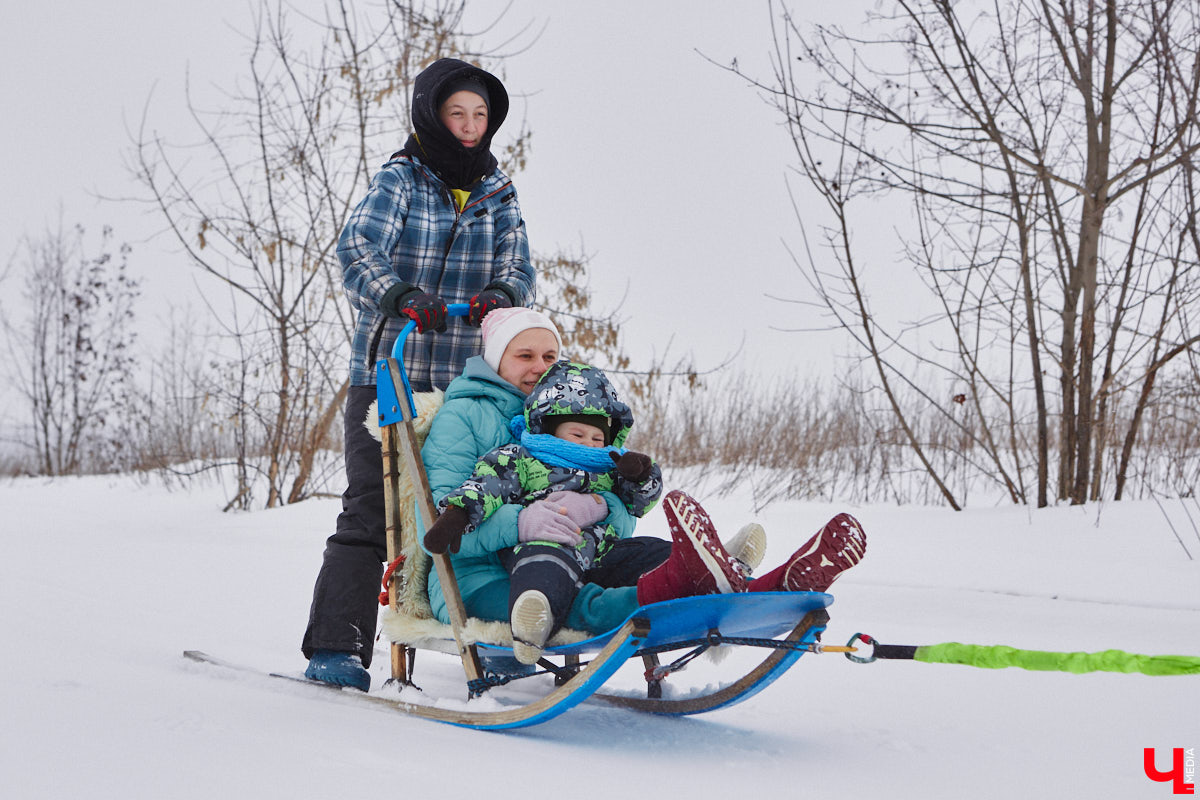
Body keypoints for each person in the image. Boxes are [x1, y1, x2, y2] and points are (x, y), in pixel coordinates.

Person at [420, 308, 868, 663]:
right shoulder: (463, 415)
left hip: (580, 548)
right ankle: (679, 586)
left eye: (549, 357)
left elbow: (623, 507)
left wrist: (598, 507)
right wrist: (523, 522)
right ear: (495, 358)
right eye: (525, 356)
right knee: (569, 598)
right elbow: (440, 524)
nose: (540, 366)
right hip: (478, 575)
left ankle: (744, 579)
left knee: (646, 552)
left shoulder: (568, 413)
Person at [302, 57, 535, 691]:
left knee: (475, 505)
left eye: (480, 114)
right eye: (457, 113)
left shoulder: (498, 191)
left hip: (464, 386)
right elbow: (358, 249)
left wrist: (501, 293)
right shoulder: (402, 179)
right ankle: (337, 646)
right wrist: (400, 294)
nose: (469, 125)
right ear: (433, 116)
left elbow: (519, 265)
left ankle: (492, 636)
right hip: (390, 375)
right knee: (373, 509)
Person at [422, 358, 667, 663]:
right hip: (545, 542)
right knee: (544, 567)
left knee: (649, 549)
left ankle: (693, 572)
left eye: (597, 438)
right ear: (550, 429)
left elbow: (637, 504)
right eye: (577, 435)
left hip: (599, 552)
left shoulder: (608, 466)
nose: (590, 445)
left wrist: (640, 477)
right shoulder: (523, 458)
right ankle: (534, 622)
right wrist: (458, 513)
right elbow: (488, 485)